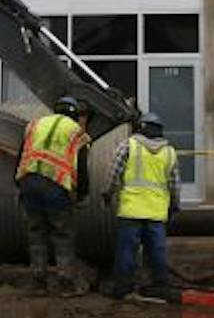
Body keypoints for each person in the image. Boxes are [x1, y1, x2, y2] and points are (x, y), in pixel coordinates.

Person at [16, 95, 91, 295]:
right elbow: (82, 168)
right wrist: (83, 193)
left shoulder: (35, 125)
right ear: (75, 115)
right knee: (62, 233)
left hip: (28, 181)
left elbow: (21, 155)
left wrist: (20, 184)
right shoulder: (76, 132)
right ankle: (65, 282)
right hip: (55, 185)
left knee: (36, 231)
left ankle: (38, 281)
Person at [105, 113, 180, 302]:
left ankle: (122, 287)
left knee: (127, 251)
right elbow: (174, 184)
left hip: (131, 210)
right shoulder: (169, 152)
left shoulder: (128, 146)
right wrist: (174, 205)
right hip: (156, 213)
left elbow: (114, 172)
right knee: (157, 252)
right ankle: (160, 286)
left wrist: (107, 193)